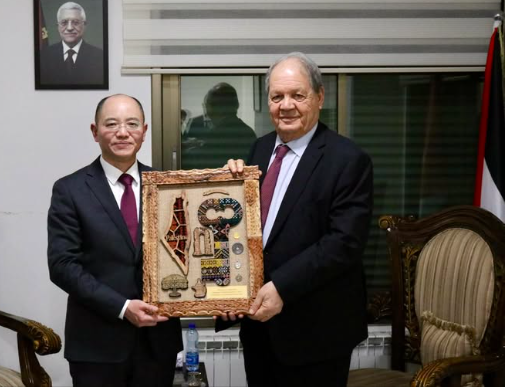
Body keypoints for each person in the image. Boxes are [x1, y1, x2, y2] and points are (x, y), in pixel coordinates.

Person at [219, 52, 374, 386]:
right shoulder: (259, 150)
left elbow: (343, 243)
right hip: (260, 330)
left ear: (319, 97)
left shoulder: (348, 159)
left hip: (316, 333)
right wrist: (227, 188)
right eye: (277, 96)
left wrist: (282, 287)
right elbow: (247, 232)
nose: (286, 105)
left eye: (297, 95)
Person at [47, 94, 182, 386]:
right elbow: (62, 266)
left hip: (158, 343)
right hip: (96, 345)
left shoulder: (168, 186)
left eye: (132, 124)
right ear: (95, 131)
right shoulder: (70, 190)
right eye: (111, 124)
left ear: (144, 131)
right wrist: (122, 307)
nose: (123, 132)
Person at [182, 82, 257, 169]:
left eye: (207, 105)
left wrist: (185, 149)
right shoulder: (249, 132)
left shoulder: (217, 134)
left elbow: (202, 164)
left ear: (213, 108)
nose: (205, 110)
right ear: (237, 105)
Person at [39, 2, 105, 86]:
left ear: (84, 25)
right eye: (64, 22)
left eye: (76, 22)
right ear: (58, 26)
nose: (69, 28)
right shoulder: (43, 56)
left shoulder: (100, 56)